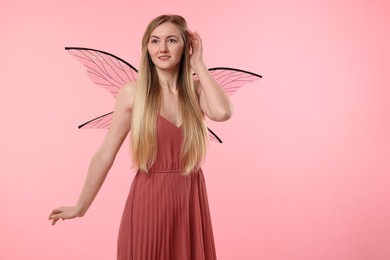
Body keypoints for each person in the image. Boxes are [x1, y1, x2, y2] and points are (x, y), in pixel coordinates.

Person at [49, 14, 233, 260]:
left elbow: (223, 112)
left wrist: (198, 64)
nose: (162, 48)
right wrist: (81, 206)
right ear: (147, 47)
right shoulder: (133, 93)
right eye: (155, 41)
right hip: (149, 202)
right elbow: (105, 153)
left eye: (172, 40)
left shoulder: (197, 91)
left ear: (186, 46)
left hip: (190, 202)